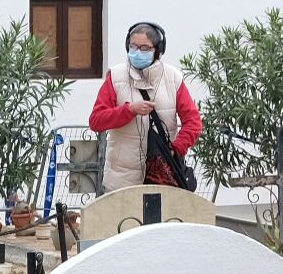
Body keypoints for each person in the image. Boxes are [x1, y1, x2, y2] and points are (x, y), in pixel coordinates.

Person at [86, 21, 203, 191]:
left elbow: (193, 121)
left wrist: (176, 149)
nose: (138, 52)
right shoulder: (116, 76)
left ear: (158, 51)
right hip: (122, 179)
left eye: (145, 48)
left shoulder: (173, 78)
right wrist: (129, 110)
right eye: (133, 46)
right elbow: (96, 121)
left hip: (162, 176)